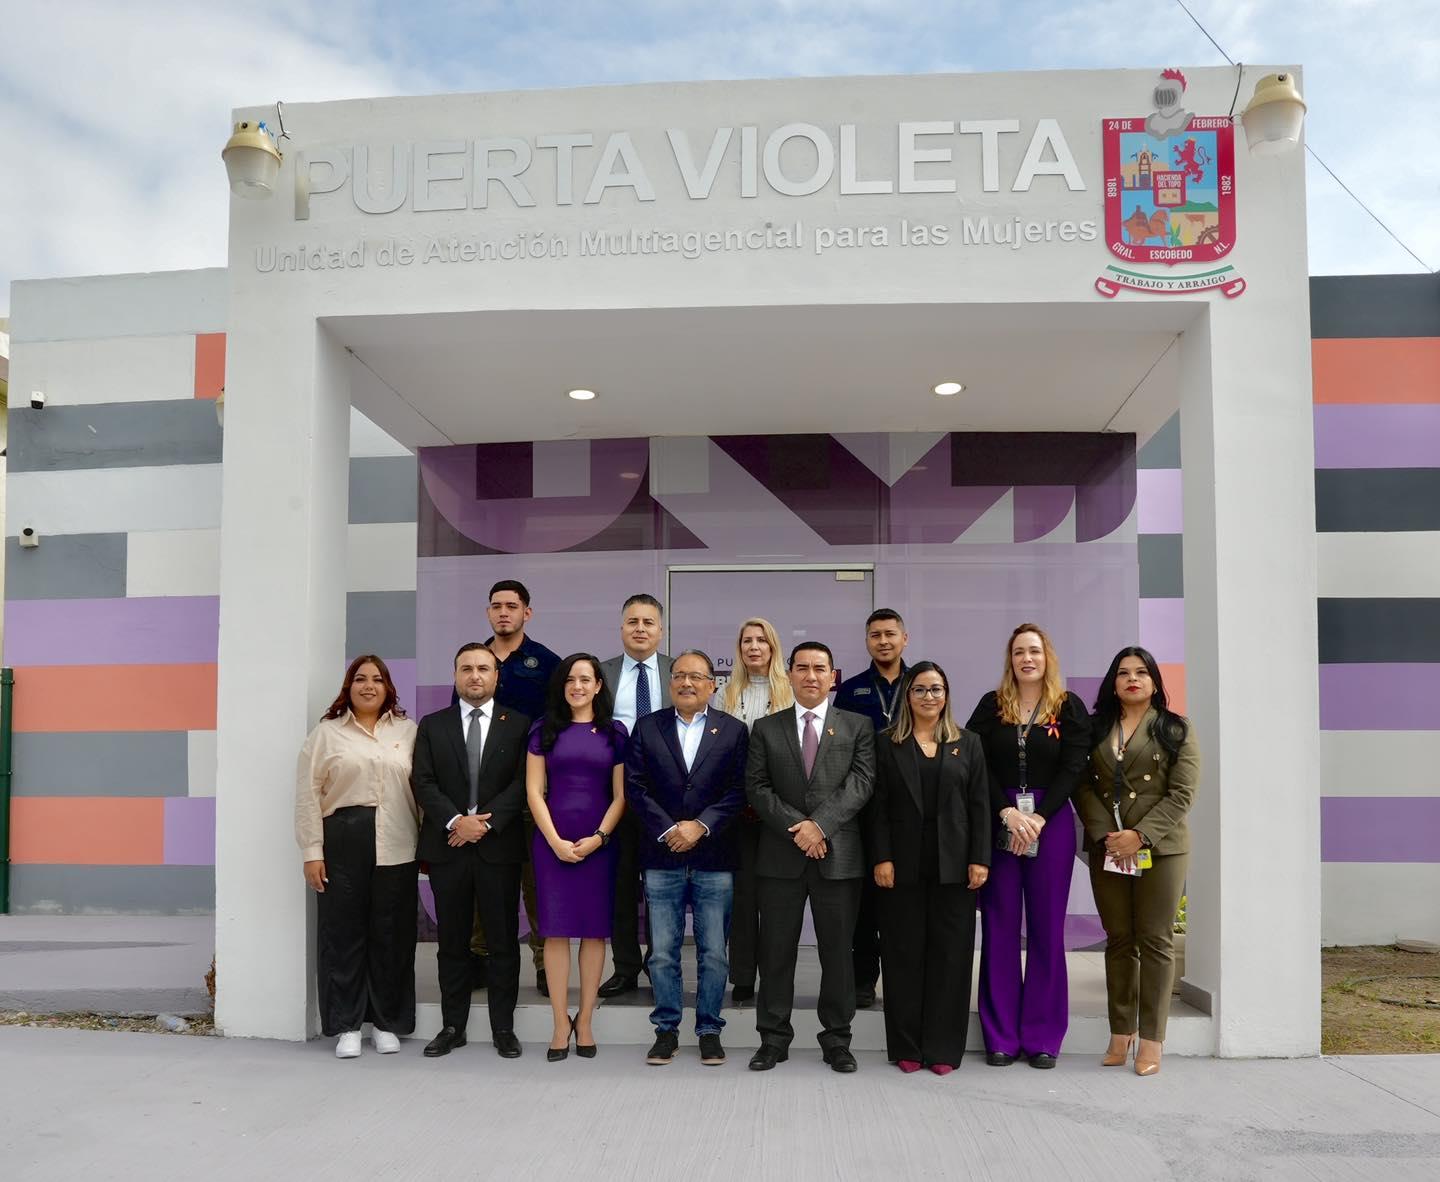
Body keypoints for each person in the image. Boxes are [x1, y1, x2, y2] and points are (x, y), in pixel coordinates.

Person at [746, 642, 876, 1073]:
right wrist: (800, 829)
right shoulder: (766, 728)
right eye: (801, 668)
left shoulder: (857, 726)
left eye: (820, 668)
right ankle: (773, 1039)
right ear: (790, 673)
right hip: (780, 860)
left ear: (833, 675)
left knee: (838, 954)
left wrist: (819, 826)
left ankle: (837, 1040)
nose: (811, 676)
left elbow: (861, 784)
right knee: (776, 951)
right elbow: (758, 788)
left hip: (838, 858)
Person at [966, 623, 1091, 1069]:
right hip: (1001, 821)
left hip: (1050, 822)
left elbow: (1075, 765)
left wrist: (1038, 816)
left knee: (1045, 930)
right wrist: (1006, 811)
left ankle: (1042, 1036)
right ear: (1010, 659)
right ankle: (1000, 1036)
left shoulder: (1068, 707)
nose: (1027, 659)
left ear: (1047, 656)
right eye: (1019, 651)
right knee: (999, 928)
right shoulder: (991, 706)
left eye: (1034, 651)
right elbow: (973, 760)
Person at [1073, 647, 1199, 1077]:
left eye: (1141, 673)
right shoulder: (1093, 730)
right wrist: (1105, 836)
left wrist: (1139, 836)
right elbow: (1081, 786)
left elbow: (1181, 795)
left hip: (1160, 849)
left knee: (1155, 940)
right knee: (1119, 938)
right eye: (1124, 673)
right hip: (1107, 848)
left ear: (1154, 681)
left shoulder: (1174, 729)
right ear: (1113, 682)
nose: (1132, 679)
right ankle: (1120, 1033)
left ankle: (1151, 1040)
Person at [625, 649, 749, 1066]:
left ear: (712, 685)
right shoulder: (647, 727)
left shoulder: (732, 731)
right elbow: (635, 787)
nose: (687, 683)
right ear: (670, 681)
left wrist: (701, 826)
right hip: (661, 856)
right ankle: (666, 1030)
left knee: (714, 951)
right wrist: (669, 829)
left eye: (697, 676)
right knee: (663, 950)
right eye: (679, 675)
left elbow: (738, 790)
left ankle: (710, 1029)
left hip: (715, 855)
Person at [411, 643, 531, 1060]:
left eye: (483, 668)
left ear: (496, 676)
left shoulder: (519, 725)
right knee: (452, 942)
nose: (475, 676)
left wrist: (485, 823)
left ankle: (503, 1028)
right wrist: (454, 821)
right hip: (450, 847)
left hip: (498, 847)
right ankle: (452, 1026)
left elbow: (523, 785)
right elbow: (423, 781)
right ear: (456, 675)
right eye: (466, 669)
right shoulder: (432, 724)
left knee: (502, 941)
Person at [294, 655, 418, 1059]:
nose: (369, 686)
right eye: (360, 679)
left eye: (377, 679)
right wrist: (312, 851)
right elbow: (307, 796)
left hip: (397, 839)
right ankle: (347, 1023)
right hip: (342, 839)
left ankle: (386, 1022)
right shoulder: (326, 734)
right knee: (343, 933)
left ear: (388, 687)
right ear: (348, 687)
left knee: (391, 934)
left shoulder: (407, 731)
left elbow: (423, 791)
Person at [870, 662, 991, 1074]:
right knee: (903, 955)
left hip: (955, 868)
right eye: (919, 689)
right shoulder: (886, 743)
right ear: (908, 696)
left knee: (951, 957)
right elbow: (878, 808)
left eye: (936, 689)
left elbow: (979, 805)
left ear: (947, 695)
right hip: (900, 867)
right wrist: (881, 858)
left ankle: (942, 1049)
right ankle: (906, 1046)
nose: (928, 697)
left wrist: (980, 858)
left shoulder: (969, 743)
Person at [526, 654, 628, 1061]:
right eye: (570, 680)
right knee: (554, 932)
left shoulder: (615, 733)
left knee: (593, 932)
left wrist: (599, 838)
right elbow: (534, 791)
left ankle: (584, 1020)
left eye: (586, 679)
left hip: (599, 843)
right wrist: (553, 840)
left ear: (599, 685)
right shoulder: (542, 730)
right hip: (552, 841)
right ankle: (557, 1023)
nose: (578, 687)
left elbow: (621, 795)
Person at [470, 580, 560, 998]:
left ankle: (545, 964)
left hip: (534, 792)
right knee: (486, 880)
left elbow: (559, 723)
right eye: (496, 606)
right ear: (488, 612)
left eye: (512, 606)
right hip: (483, 791)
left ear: (528, 612)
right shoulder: (475, 660)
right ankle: (482, 957)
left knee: (537, 882)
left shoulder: (545, 663)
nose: (503, 612)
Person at [711, 617, 794, 1005]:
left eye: (762, 640)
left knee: (776, 902)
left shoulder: (792, 692)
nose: (754, 647)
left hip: (780, 813)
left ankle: (776, 980)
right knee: (741, 901)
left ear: (774, 646)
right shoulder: (724, 693)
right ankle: (742, 976)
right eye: (747, 640)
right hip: (738, 814)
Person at [834, 608, 910, 1009]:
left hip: (911, 807)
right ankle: (863, 981)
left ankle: (903, 981)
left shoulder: (922, 683)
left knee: (902, 902)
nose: (883, 641)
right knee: (863, 902)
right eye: (875, 635)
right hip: (862, 807)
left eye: (890, 634)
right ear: (867, 641)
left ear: (904, 639)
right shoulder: (852, 690)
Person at [598, 594, 672, 998]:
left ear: (661, 630)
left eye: (648, 622)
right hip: (616, 797)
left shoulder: (678, 671)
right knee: (621, 886)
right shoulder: (600, 673)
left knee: (665, 888)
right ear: (621, 628)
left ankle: (661, 964)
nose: (640, 628)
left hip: (667, 800)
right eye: (632, 622)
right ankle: (625, 967)